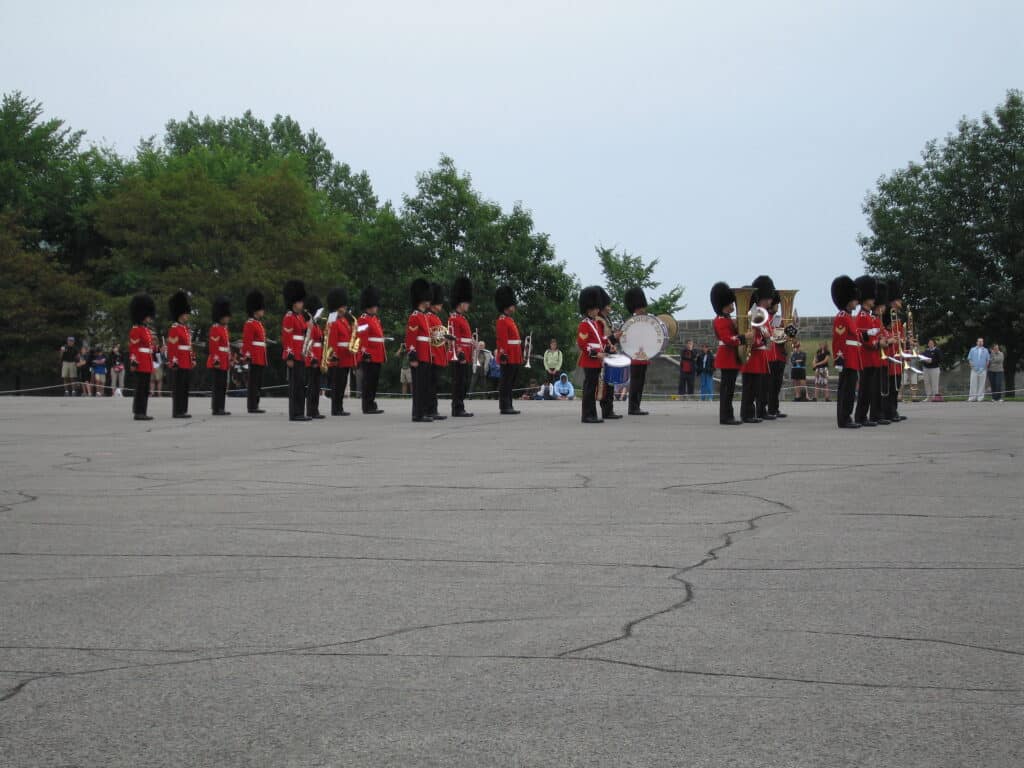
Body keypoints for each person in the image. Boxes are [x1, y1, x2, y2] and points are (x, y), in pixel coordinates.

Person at [740, 275, 775, 423]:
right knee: (751, 388)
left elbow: (766, 331)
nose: (770, 301)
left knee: (759, 387)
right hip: (753, 354)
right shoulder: (754, 312)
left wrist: (767, 336)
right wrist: (762, 337)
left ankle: (756, 411)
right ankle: (747, 413)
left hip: (761, 354)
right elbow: (752, 333)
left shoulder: (761, 313)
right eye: (768, 298)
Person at [853, 276, 884, 426]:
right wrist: (880, 343)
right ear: (865, 299)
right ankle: (860, 416)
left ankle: (864, 416)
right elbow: (867, 340)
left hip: (873, 358)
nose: (873, 301)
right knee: (865, 390)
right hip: (866, 358)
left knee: (870, 390)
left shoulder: (869, 317)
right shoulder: (862, 317)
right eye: (871, 298)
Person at [831, 275, 862, 429]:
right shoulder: (842, 317)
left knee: (850, 390)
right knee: (846, 390)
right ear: (847, 299)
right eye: (854, 299)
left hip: (853, 356)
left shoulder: (849, 316)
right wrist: (839, 358)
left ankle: (847, 416)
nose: (857, 302)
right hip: (847, 357)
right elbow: (839, 340)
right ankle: (844, 419)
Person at [710, 281, 743, 425]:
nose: (733, 306)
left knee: (729, 389)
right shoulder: (720, 320)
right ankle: (725, 416)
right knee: (726, 390)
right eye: (731, 303)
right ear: (724, 304)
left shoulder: (727, 319)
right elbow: (728, 340)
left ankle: (728, 415)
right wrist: (742, 337)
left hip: (730, 357)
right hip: (727, 356)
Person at [325, 287, 357, 416]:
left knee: (342, 383)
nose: (344, 309)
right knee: (337, 383)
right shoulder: (333, 320)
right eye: (342, 307)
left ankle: (340, 407)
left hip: (346, 355)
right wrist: (333, 354)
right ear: (337, 307)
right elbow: (332, 340)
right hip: (338, 355)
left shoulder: (345, 320)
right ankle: (335, 408)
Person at [406, 278, 434, 422]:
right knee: (418, 386)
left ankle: (423, 411)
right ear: (420, 298)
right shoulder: (415, 316)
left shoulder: (424, 316)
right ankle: (417, 414)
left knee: (424, 385)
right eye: (426, 298)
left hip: (426, 354)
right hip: (419, 355)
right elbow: (411, 339)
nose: (429, 300)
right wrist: (413, 356)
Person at [576, 286, 606, 423]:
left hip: (596, 360)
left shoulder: (595, 323)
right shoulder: (584, 324)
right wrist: (596, 354)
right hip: (590, 360)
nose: (597, 310)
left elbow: (601, 340)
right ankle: (587, 415)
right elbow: (583, 344)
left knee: (592, 388)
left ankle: (592, 414)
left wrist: (613, 338)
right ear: (589, 309)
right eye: (595, 308)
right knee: (589, 389)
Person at [281, 279, 309, 421]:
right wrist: (289, 356)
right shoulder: (289, 317)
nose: (302, 304)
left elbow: (304, 331)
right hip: (294, 354)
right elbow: (287, 338)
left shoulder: (299, 317)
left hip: (301, 353)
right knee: (295, 385)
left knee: (301, 384)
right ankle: (295, 413)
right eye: (300, 301)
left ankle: (300, 411)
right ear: (294, 302)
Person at [357, 285, 386, 415]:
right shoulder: (363, 319)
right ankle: (367, 405)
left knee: (373, 381)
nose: (377, 307)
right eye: (375, 305)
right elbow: (361, 338)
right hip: (369, 354)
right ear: (370, 305)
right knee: (368, 381)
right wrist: (364, 353)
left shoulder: (374, 319)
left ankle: (372, 403)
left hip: (377, 354)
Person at [448, 276, 475, 417]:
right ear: (460, 303)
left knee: (464, 382)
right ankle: (457, 407)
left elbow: (465, 337)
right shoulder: (453, 318)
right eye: (466, 302)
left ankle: (460, 405)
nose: (468, 305)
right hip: (459, 355)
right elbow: (454, 337)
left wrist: (472, 343)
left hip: (466, 352)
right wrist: (460, 353)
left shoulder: (462, 318)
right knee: (459, 382)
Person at [623, 287, 651, 415]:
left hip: (644, 356)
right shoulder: (631, 322)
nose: (643, 310)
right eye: (640, 307)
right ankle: (633, 407)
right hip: (634, 356)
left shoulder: (645, 320)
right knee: (635, 382)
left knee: (640, 382)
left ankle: (636, 405)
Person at [494, 285, 523, 415]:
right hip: (508, 354)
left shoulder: (509, 319)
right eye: (512, 304)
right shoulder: (502, 320)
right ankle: (504, 406)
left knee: (511, 381)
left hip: (515, 353)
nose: (514, 307)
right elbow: (502, 340)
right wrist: (503, 354)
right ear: (507, 305)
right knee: (506, 381)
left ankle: (509, 404)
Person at [128, 294, 156, 420]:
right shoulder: (136, 330)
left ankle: (142, 411)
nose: (149, 318)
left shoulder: (145, 330)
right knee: (140, 388)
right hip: (140, 362)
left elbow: (148, 347)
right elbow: (134, 348)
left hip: (147, 361)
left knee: (145, 389)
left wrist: (158, 349)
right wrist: (134, 362)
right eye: (147, 315)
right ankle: (138, 412)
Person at [166, 291, 194, 419]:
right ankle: (177, 411)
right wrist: (174, 361)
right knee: (178, 387)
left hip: (186, 360)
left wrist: (192, 358)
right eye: (185, 313)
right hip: (179, 361)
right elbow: (172, 347)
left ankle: (183, 409)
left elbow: (189, 345)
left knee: (184, 387)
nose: (187, 315)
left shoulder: (185, 329)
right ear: (180, 314)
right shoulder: (174, 328)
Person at [596, 288, 622, 420]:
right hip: (602, 354)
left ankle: (609, 409)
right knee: (605, 384)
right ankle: (606, 410)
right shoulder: (599, 320)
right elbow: (601, 339)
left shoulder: (606, 319)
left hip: (609, 352)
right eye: (608, 305)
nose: (610, 307)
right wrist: (613, 338)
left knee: (611, 383)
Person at [241, 289, 268, 414]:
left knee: (258, 382)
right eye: (261, 308)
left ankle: (255, 404)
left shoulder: (258, 323)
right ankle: (252, 406)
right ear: (255, 309)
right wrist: (247, 355)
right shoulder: (250, 323)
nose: (263, 310)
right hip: (254, 356)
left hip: (260, 355)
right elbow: (247, 341)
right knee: (253, 383)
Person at [426, 283, 448, 421]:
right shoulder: (428, 316)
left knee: (435, 384)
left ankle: (433, 409)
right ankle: (430, 409)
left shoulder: (435, 317)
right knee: (431, 384)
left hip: (438, 353)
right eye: (440, 303)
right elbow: (429, 337)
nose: (442, 305)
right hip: (433, 354)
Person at [207, 296, 232, 416]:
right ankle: (216, 408)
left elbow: (226, 346)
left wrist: (229, 358)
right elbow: (213, 346)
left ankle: (221, 407)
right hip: (218, 360)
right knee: (217, 385)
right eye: (226, 316)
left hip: (224, 359)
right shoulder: (215, 328)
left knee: (222, 386)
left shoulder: (224, 329)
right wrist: (216, 360)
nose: (227, 319)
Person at [303, 294, 326, 419]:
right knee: (312, 385)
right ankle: (311, 410)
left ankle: (315, 409)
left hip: (318, 357)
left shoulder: (315, 324)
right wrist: (312, 358)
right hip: (312, 358)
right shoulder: (309, 324)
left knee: (316, 385)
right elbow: (308, 343)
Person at [766, 292, 787, 418]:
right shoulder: (765, 317)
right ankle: (769, 408)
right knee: (771, 385)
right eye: (777, 305)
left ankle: (775, 408)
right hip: (770, 356)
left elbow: (785, 336)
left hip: (780, 355)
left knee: (777, 384)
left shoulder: (779, 319)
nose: (778, 307)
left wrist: (792, 326)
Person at [967, 337, 990, 402]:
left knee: (982, 384)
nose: (980, 342)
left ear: (983, 343)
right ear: (977, 342)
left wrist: (985, 368)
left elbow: (988, 360)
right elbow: (970, 359)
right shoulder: (972, 349)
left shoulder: (986, 350)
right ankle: (972, 397)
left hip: (983, 370)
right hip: (974, 369)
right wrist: (972, 367)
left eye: (981, 341)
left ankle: (980, 397)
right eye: (979, 341)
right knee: (973, 383)